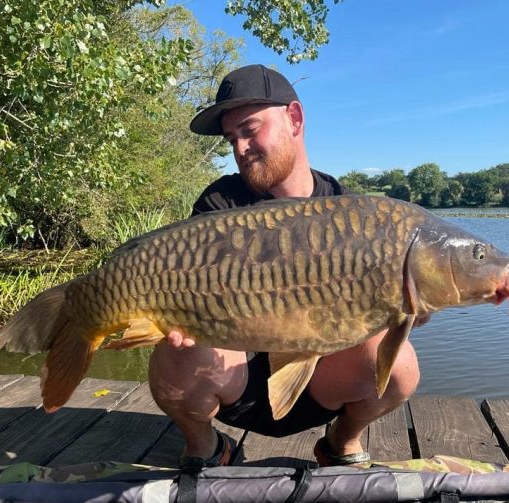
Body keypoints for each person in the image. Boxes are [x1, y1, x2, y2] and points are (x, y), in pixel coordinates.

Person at [148, 64, 420, 469]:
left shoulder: (346, 210)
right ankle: (206, 447)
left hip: (318, 382)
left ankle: (340, 442)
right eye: (231, 138)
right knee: (172, 355)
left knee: (399, 362)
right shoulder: (220, 203)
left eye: (250, 129)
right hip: (237, 378)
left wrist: (401, 307)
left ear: (293, 117)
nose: (240, 148)